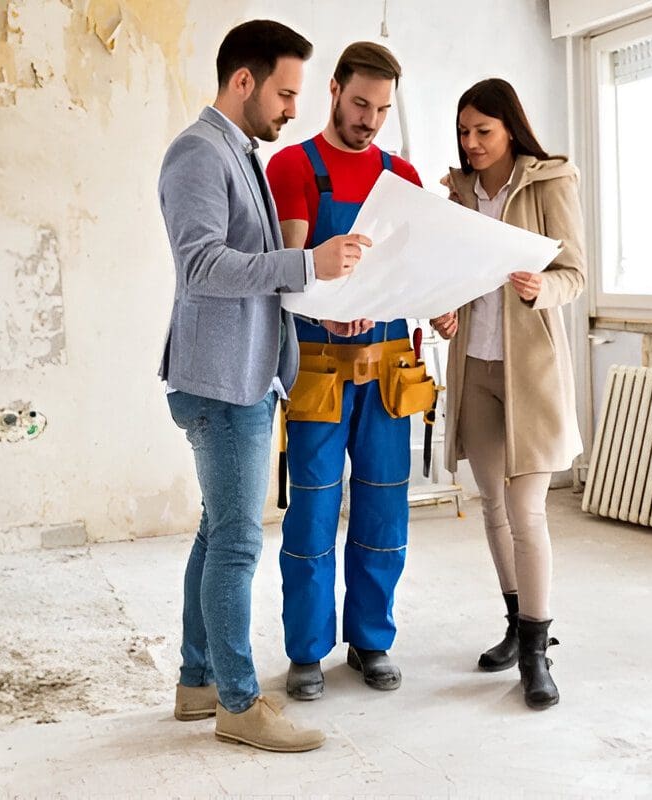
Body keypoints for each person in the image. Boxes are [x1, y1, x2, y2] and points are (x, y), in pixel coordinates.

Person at [158, 19, 371, 752]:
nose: (292, 109)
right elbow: (203, 267)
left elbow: (255, 269)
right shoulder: (197, 151)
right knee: (239, 545)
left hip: (239, 373)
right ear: (242, 81)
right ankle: (240, 705)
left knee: (216, 534)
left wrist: (319, 296)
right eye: (284, 92)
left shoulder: (236, 149)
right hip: (221, 382)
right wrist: (308, 263)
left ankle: (197, 682)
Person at [266, 41, 430, 701]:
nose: (369, 119)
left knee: (385, 509)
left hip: (390, 366)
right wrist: (329, 318)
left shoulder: (405, 178)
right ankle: (308, 650)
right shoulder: (292, 167)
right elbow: (289, 272)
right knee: (312, 511)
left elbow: (417, 271)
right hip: (318, 367)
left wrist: (437, 311)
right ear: (333, 90)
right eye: (360, 103)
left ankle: (372, 640)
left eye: (383, 108)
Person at [431, 78, 585, 710]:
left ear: (510, 128)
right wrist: (444, 313)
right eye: (464, 133)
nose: (471, 144)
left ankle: (535, 653)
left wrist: (538, 290)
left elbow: (573, 274)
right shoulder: (458, 194)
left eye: (483, 132)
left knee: (528, 513)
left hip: (532, 376)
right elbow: (449, 277)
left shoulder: (549, 183)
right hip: (476, 369)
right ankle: (515, 625)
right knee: (492, 508)